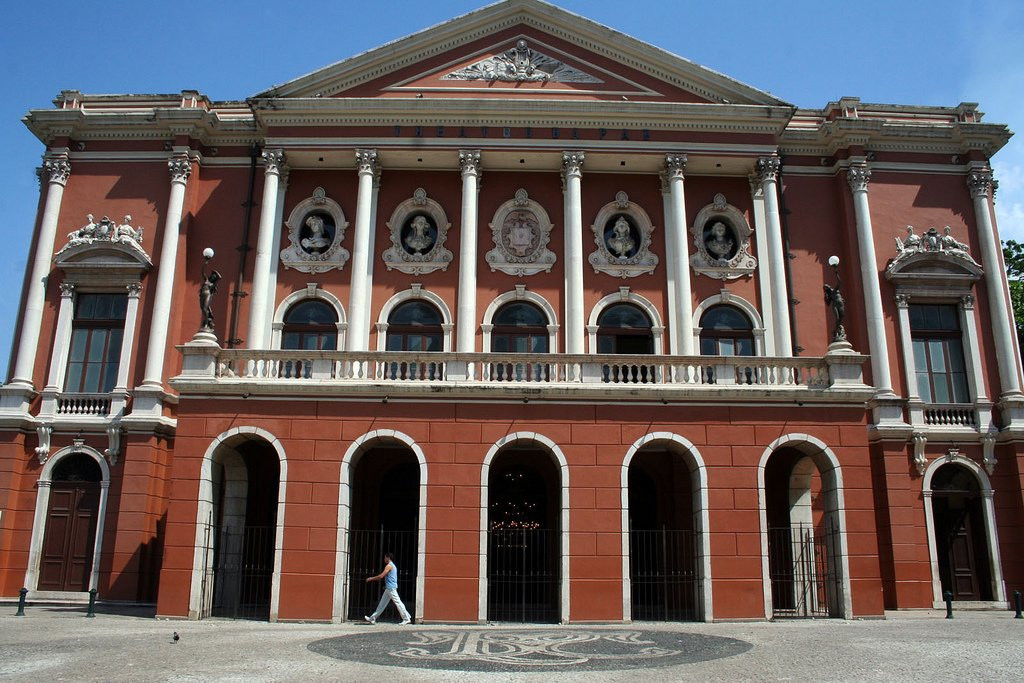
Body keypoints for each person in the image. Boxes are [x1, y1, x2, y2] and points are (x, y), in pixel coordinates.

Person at [364, 552, 411, 625]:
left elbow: (381, 576)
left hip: (391, 588)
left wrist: (371, 578)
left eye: (385, 557)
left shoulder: (389, 566)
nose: (384, 559)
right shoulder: (393, 565)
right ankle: (372, 618)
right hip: (389, 588)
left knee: (398, 602)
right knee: (382, 604)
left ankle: (406, 618)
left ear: (388, 558)